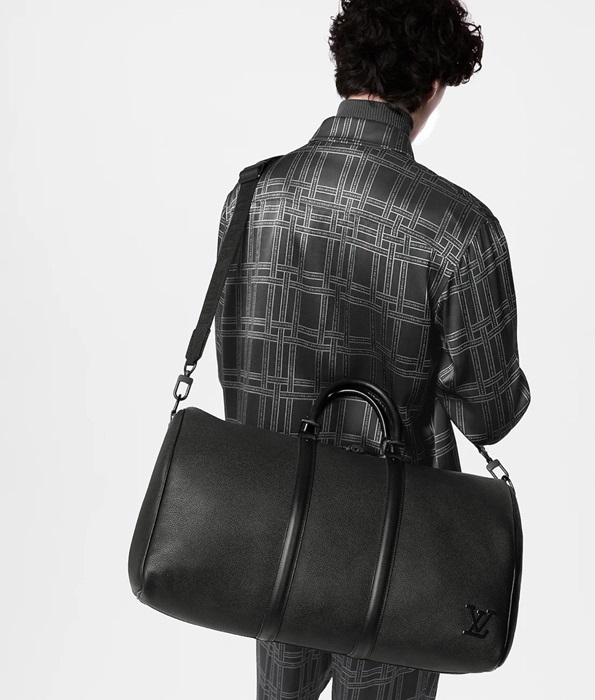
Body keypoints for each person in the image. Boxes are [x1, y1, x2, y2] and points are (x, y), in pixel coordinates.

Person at [214, 1, 531, 698]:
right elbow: (490, 414)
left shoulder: (252, 194)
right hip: (397, 548)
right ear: (435, 85)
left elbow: (239, 363)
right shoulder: (459, 227)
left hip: (276, 532)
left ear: (344, 64)